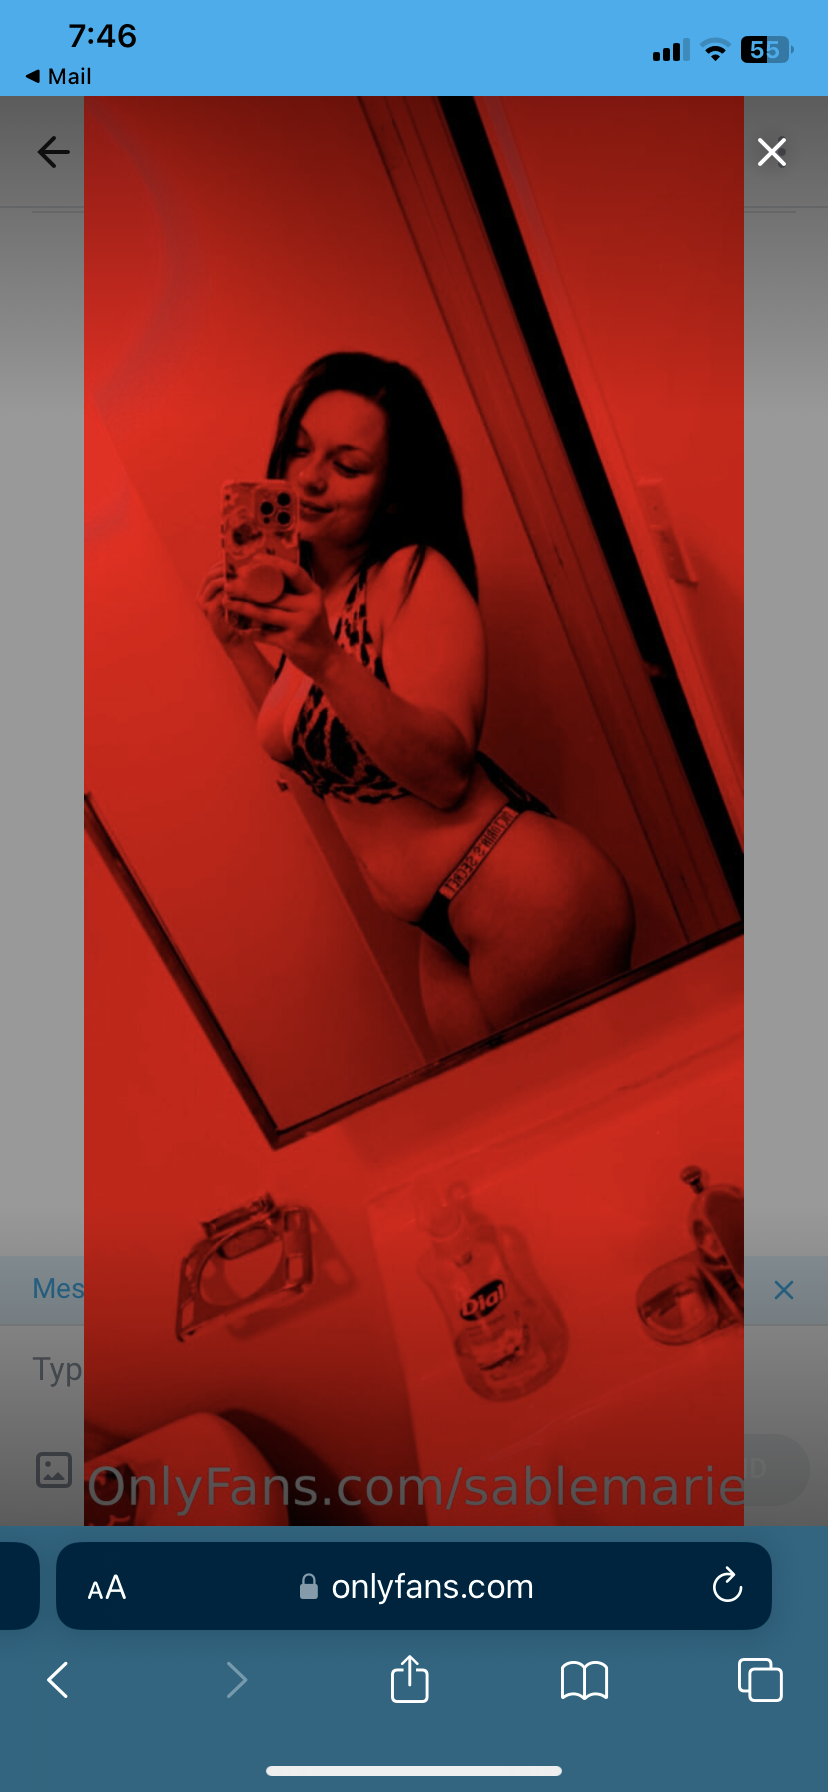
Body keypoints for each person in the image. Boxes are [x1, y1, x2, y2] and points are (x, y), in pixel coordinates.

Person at [199, 352, 634, 1053]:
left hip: (523, 891)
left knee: (590, 1099)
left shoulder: (414, 575)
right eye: (301, 449)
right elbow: (316, 757)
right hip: (441, 923)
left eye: (348, 464)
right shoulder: (321, 602)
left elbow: (444, 776)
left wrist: (323, 657)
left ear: (391, 488)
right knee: (504, 1110)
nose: (310, 478)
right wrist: (239, 648)